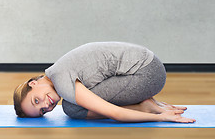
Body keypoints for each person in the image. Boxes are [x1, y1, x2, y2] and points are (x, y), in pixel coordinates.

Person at [13, 41, 196, 123]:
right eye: (43, 111)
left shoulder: (62, 81)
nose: (47, 105)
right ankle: (147, 102)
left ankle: (145, 106)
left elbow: (115, 113)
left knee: (72, 108)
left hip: (148, 74)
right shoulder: (55, 70)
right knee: (75, 103)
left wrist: (160, 117)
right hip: (150, 64)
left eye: (36, 100)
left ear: (33, 83)